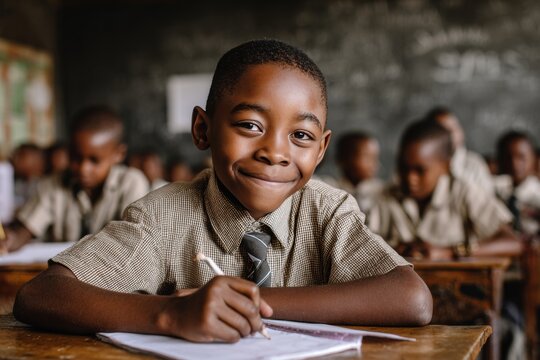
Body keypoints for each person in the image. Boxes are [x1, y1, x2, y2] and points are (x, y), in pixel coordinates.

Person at [14, 40, 432, 343]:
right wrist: (171, 313)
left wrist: (253, 303)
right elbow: (42, 294)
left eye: (301, 135)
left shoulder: (327, 210)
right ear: (203, 129)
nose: (274, 152)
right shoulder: (164, 214)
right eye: (250, 125)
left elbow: (411, 300)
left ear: (321, 149)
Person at [0, 105, 149, 252]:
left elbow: (133, 241)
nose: (83, 168)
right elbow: (25, 230)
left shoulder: (131, 183)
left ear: (119, 154)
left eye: (94, 161)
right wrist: (11, 238)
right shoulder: (53, 184)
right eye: (76, 158)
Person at [368, 119, 521, 260]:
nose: (410, 178)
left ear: (446, 166)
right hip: (403, 288)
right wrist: (393, 250)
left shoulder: (464, 191)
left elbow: (513, 243)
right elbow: (364, 246)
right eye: (403, 168)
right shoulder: (387, 195)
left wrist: (449, 252)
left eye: (420, 170)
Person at [424, 106, 494, 193]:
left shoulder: (474, 164)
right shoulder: (426, 164)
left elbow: (487, 197)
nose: (452, 135)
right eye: (444, 131)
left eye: (454, 128)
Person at [494, 130, 540, 236]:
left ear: (534, 158)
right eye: (508, 157)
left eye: (521, 157)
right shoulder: (496, 189)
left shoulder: (538, 194)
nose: (514, 163)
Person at [328, 132, 384, 214]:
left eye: (375, 158)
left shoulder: (381, 192)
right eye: (368, 157)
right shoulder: (330, 190)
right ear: (344, 159)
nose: (375, 164)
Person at [11, 143, 45, 211]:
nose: (16, 160)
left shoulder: (44, 186)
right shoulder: (18, 183)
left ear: (36, 159)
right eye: (15, 156)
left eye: (22, 156)